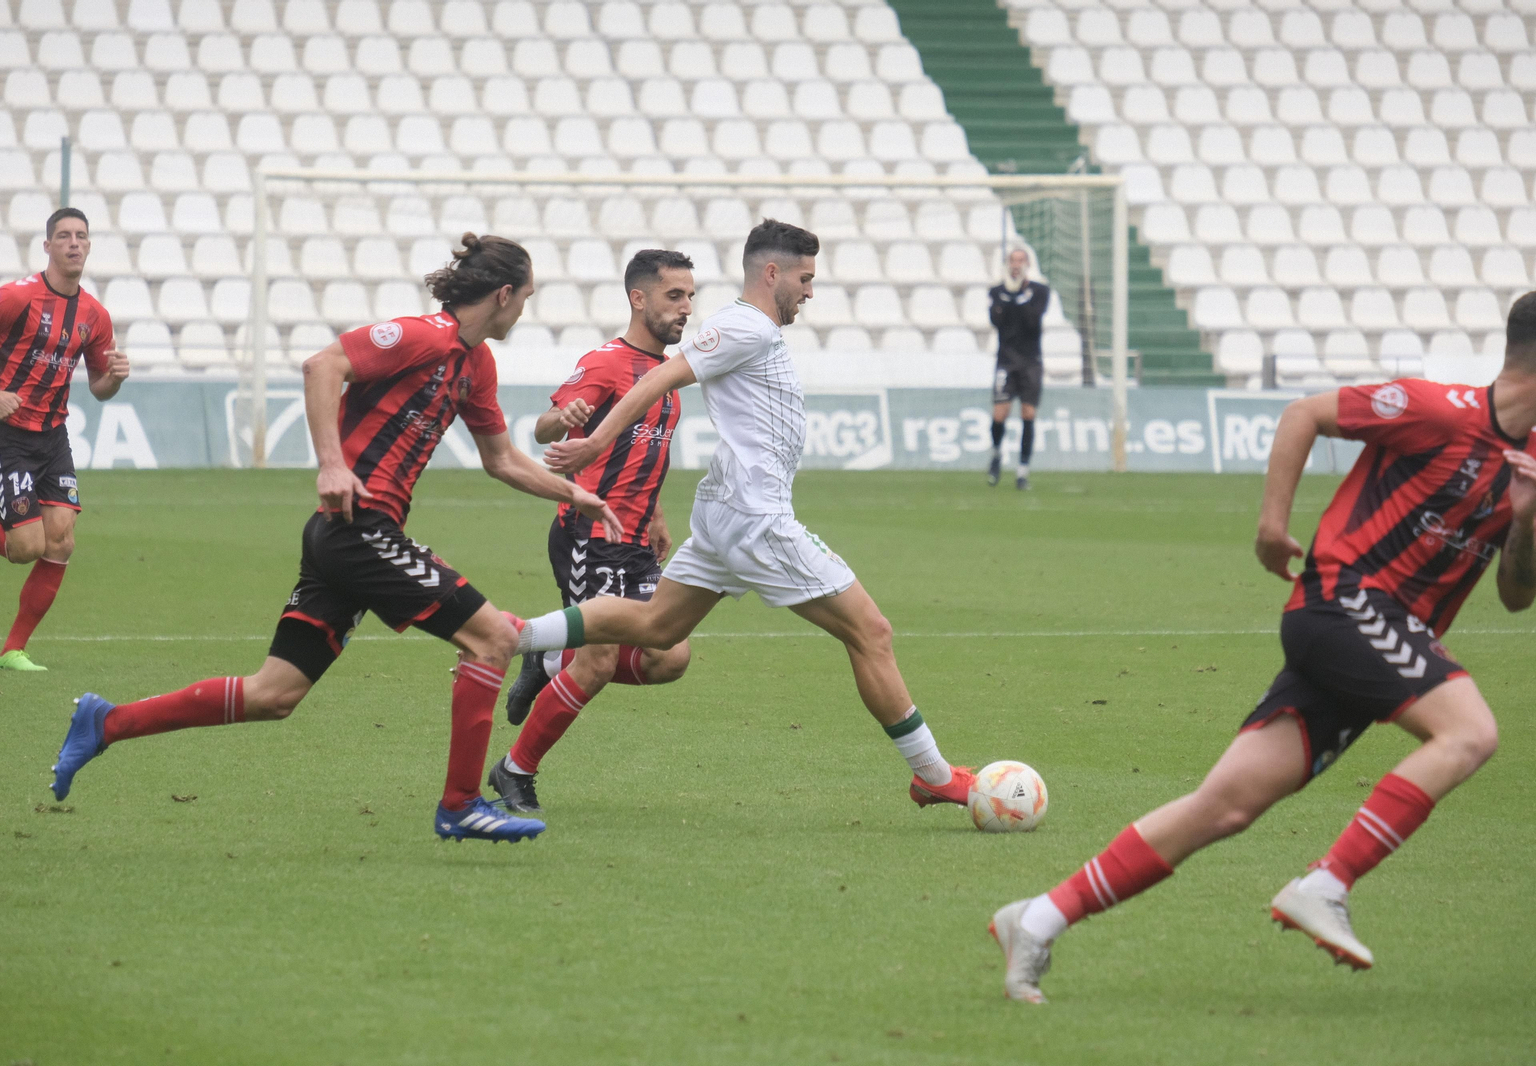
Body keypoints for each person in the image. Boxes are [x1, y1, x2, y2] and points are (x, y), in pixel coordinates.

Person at [989, 289, 1536, 1004]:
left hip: (1374, 639)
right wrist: (1272, 525)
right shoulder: (1438, 410)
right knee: (1470, 733)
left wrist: (1526, 523)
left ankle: (1036, 918)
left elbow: (1517, 595)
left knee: (1223, 806)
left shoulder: (1526, 464)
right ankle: (1327, 882)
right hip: (1343, 603)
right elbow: (1304, 413)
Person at [47, 233, 624, 845]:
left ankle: (105, 723)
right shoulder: (421, 335)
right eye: (526, 298)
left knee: (274, 693)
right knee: (493, 640)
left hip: (352, 536)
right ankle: (460, 805)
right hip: (357, 527)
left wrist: (573, 493)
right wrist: (330, 463)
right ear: (504, 295)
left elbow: (502, 458)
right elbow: (323, 365)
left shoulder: (476, 366)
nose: (524, 310)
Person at [509, 219, 975, 811]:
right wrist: (596, 443)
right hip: (756, 520)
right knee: (871, 631)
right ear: (772, 272)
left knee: (657, 634)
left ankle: (519, 638)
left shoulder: (748, 330)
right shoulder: (743, 326)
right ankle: (932, 775)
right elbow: (661, 374)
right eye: (805, 279)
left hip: (727, 513)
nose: (809, 291)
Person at [491, 249, 696, 813]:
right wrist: (567, 417)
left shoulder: (669, 373)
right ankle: (515, 770)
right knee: (601, 660)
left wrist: (655, 513)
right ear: (639, 298)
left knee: (669, 656)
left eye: (690, 296)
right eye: (674, 295)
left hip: (635, 540)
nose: (686, 307)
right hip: (590, 532)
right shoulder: (607, 362)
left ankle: (550, 659)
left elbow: (649, 451)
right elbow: (540, 428)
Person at [0, 207, 129, 670]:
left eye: (81, 236)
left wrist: (117, 378)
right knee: (25, 548)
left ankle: (12, 650)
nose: (74, 243)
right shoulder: (16, 297)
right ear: (48, 246)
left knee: (61, 540)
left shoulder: (94, 315)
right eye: (64, 236)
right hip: (9, 438)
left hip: (53, 438)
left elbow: (101, 388)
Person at [986, 248, 1049, 490]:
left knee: (1028, 413)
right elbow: (995, 320)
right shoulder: (996, 291)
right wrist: (1006, 297)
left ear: (1027, 264)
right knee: (1000, 413)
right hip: (1006, 360)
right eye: (1013, 260)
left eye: (1021, 260)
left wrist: (1020, 297)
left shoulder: (1040, 292)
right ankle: (996, 454)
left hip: (1031, 362)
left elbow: (1033, 321)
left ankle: (1022, 470)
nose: (1016, 264)